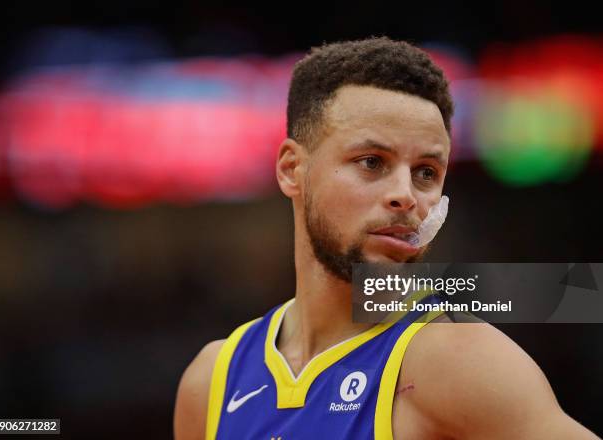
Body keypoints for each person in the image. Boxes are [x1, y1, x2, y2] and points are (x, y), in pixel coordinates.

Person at [174, 37, 599, 439]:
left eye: (426, 173)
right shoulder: (213, 379)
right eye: (372, 162)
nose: (406, 196)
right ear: (291, 169)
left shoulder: (457, 360)